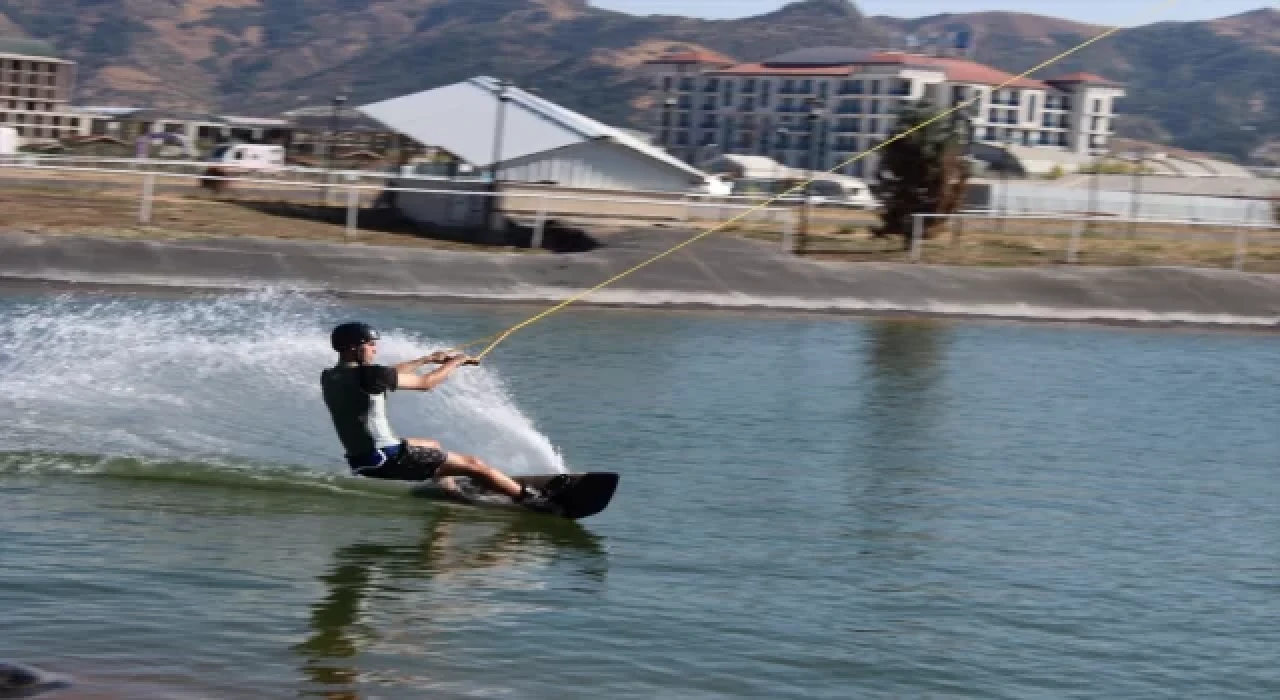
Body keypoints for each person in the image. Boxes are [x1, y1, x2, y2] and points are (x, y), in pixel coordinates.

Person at [320, 321, 560, 514]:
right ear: (354, 347)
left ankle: (450, 491)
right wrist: (455, 362)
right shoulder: (370, 376)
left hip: (361, 460)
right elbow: (426, 383)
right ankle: (532, 500)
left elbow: (388, 375)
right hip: (387, 458)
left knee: (431, 445)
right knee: (474, 465)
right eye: (371, 345)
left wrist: (426, 360)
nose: (375, 349)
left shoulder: (330, 376)